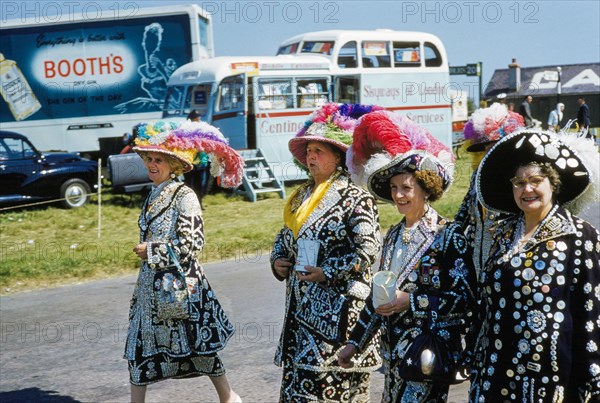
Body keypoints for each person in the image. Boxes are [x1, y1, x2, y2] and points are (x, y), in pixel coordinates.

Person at [338, 110, 477, 402]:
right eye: (394, 188)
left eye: (406, 188)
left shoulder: (448, 236)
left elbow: (465, 300)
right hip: (393, 359)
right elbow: (378, 298)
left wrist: (410, 302)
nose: (399, 195)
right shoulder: (392, 237)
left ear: (425, 189)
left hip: (428, 353)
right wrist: (354, 344)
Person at [468, 130, 600, 402]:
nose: (526, 189)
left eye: (535, 181)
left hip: (551, 377)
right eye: (519, 183)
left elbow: (591, 312)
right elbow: (487, 303)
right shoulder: (502, 233)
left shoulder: (579, 236)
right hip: (495, 370)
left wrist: (593, 377)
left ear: (553, 184)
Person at [270, 103, 383, 402]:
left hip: (338, 315)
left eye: (319, 151)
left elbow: (367, 252)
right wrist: (278, 260)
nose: (310, 156)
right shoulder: (301, 197)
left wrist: (327, 271)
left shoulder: (355, 198)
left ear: (339, 157)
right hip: (300, 315)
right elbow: (285, 237)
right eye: (308, 151)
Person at [125, 120, 244, 403]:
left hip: (180, 288)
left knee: (199, 349)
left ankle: (228, 397)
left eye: (159, 160)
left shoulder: (185, 196)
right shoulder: (152, 194)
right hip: (150, 289)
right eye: (149, 159)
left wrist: (152, 251)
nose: (152, 164)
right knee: (140, 349)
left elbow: (193, 244)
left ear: (174, 165)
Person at [455, 103, 525, 277]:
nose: (490, 154)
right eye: (486, 149)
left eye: (496, 148)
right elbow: (463, 213)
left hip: (509, 261)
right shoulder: (477, 176)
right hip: (475, 259)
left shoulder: (520, 180)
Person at [183, 110, 212, 208]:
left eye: (199, 118)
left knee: (199, 184)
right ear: (191, 119)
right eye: (197, 118)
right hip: (189, 161)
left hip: (200, 162)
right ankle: (189, 205)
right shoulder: (186, 131)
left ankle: (199, 204)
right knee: (190, 185)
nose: (199, 120)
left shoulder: (201, 131)